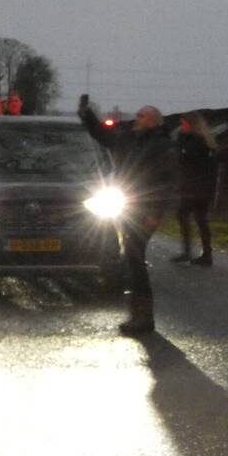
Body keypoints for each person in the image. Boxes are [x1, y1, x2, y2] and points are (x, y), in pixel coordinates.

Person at [79, 98, 173, 335]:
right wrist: (87, 115)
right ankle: (138, 314)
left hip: (145, 209)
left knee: (134, 259)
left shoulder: (161, 146)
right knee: (131, 259)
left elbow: (166, 182)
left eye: (141, 116)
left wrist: (155, 212)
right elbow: (104, 136)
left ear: (153, 122)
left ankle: (143, 317)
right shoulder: (129, 140)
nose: (136, 119)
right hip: (128, 206)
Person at [171, 112, 218, 266]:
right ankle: (205, 252)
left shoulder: (195, 141)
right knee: (200, 218)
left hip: (195, 186)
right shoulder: (204, 141)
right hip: (201, 186)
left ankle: (189, 251)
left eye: (183, 123)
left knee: (185, 215)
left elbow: (184, 158)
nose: (181, 126)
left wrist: (181, 142)